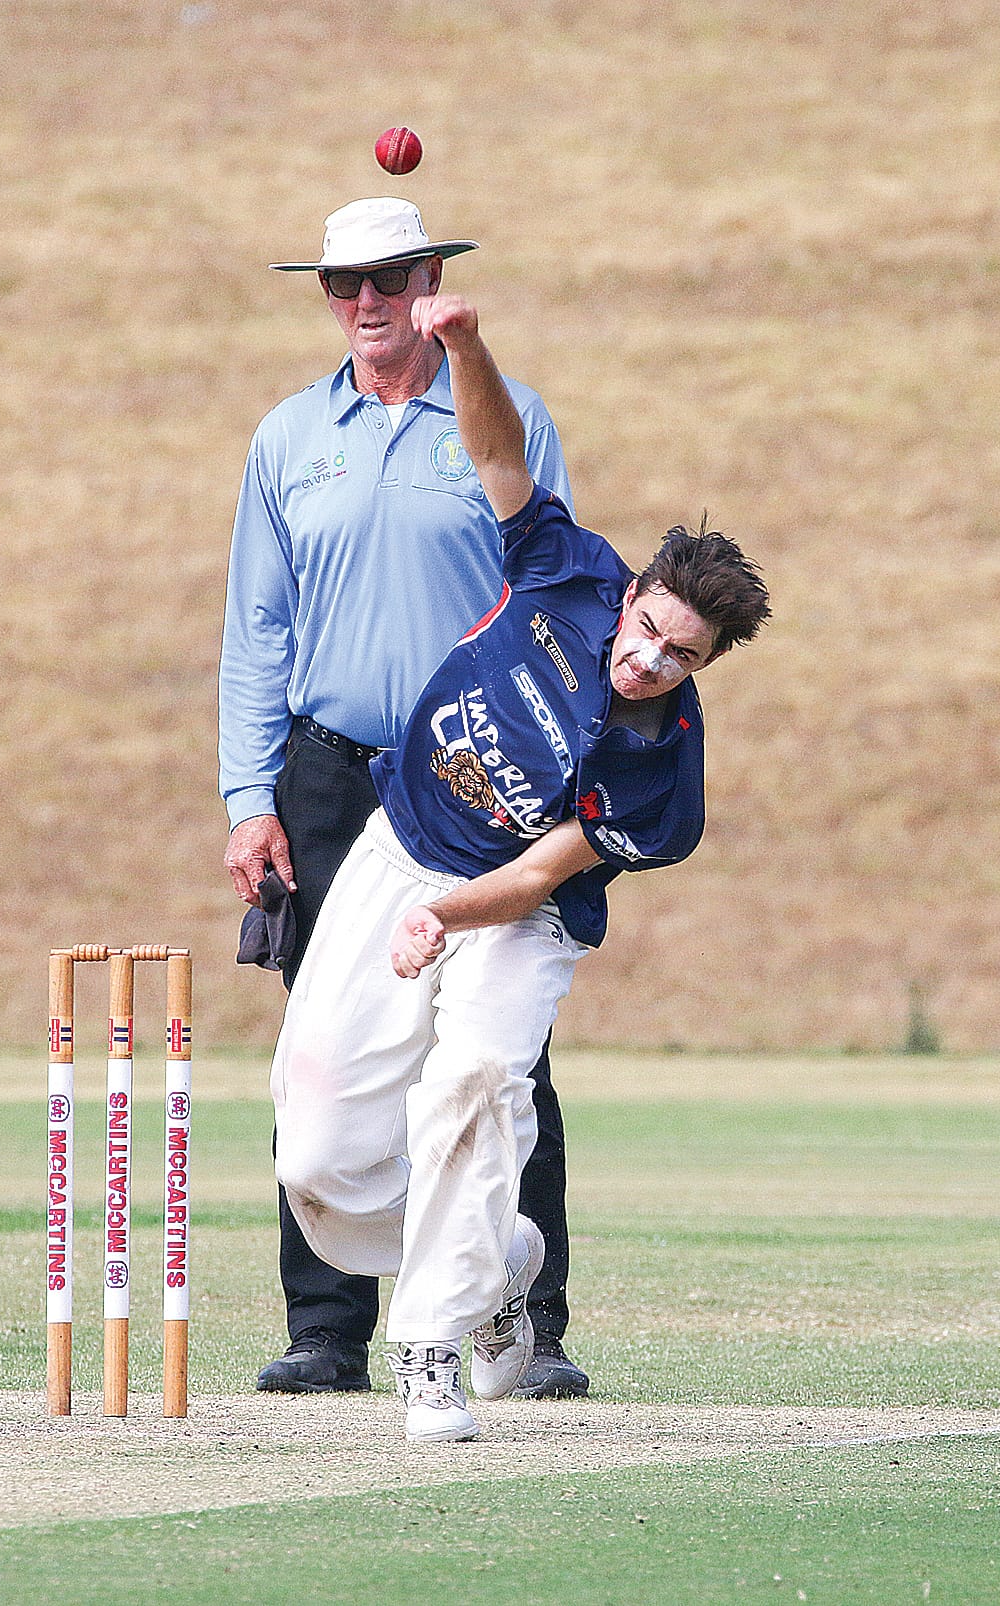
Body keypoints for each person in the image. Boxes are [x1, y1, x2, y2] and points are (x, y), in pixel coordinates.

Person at [272, 289, 771, 1441]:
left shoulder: (659, 779)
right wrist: (462, 345)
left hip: (512, 917)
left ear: (704, 666)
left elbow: (539, 874)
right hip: (398, 848)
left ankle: (429, 1352)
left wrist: (446, 918)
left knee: (473, 1086)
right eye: (646, 629)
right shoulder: (568, 572)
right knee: (316, 1162)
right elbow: (495, 455)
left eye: (678, 656)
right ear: (629, 594)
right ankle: (494, 1256)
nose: (645, 661)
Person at [219, 196, 589, 1399]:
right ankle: (327, 1328)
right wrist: (249, 795)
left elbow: (558, 596)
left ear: (431, 280)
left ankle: (524, 1319)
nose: (366, 301)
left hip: (473, 775)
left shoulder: (503, 413)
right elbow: (257, 629)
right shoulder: (289, 435)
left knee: (494, 1051)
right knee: (323, 1048)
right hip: (329, 773)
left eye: (388, 277)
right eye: (343, 283)